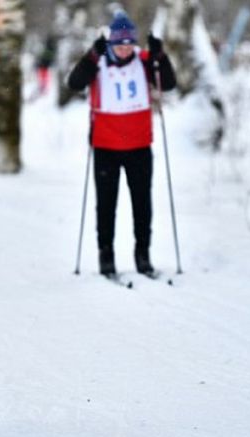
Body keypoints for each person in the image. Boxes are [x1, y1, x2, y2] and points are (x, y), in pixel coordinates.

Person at [67, 12, 176, 276]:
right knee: (106, 205)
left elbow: (169, 83)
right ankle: (106, 255)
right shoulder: (99, 61)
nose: (124, 47)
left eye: (129, 42)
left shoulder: (144, 60)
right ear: (111, 42)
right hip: (106, 147)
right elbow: (74, 83)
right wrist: (91, 56)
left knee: (142, 204)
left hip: (139, 146)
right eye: (119, 43)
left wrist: (161, 56)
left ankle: (143, 255)